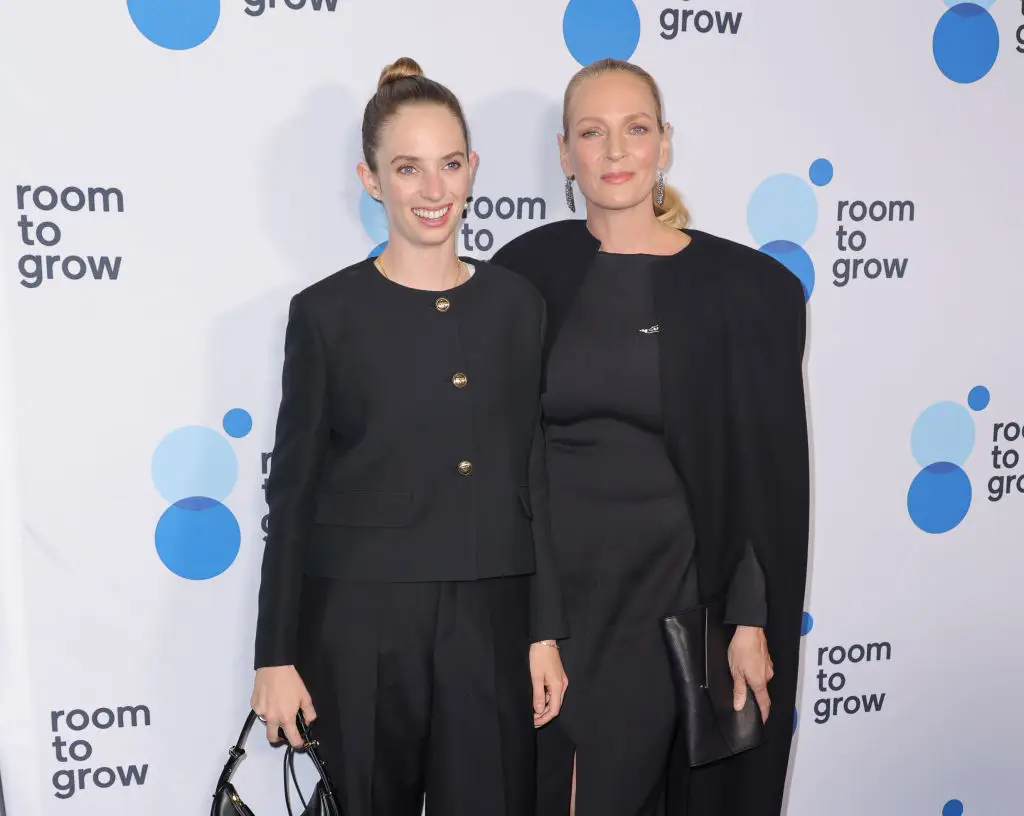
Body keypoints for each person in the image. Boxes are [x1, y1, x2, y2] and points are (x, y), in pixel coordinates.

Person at [250, 57, 568, 816]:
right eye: (408, 169)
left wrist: (544, 632)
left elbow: (537, 476)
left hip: (492, 621)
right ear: (371, 179)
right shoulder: (325, 314)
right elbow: (291, 494)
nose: (434, 191)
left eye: (450, 165)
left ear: (473, 168)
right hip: (358, 626)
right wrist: (274, 655)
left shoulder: (519, 306)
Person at [491, 57, 810, 816]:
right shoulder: (524, 273)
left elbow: (761, 479)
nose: (614, 152)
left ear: (665, 144)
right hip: (548, 606)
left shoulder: (743, 290)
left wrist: (749, 618)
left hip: (668, 606)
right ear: (564, 154)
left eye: (636, 130)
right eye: (591, 134)